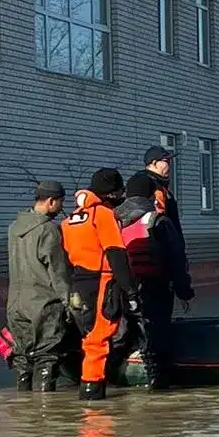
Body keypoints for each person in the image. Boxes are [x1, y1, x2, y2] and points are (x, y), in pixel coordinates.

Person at [61, 168, 139, 402]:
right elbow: (116, 254)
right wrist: (131, 292)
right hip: (102, 282)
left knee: (87, 337)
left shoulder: (70, 220)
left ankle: (89, 392)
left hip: (78, 284)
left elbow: (64, 259)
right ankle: (93, 399)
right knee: (99, 339)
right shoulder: (103, 215)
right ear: (111, 193)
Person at [116, 171, 194, 389]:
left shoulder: (113, 220)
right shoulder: (158, 221)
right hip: (155, 287)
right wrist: (184, 289)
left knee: (128, 332)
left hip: (121, 289)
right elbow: (176, 259)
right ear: (150, 195)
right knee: (157, 334)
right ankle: (158, 381)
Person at [5, 179, 72, 392]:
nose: (62, 208)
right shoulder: (48, 230)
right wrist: (70, 303)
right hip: (43, 304)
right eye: (61, 202)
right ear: (51, 201)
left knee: (23, 359)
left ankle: (25, 411)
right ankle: (45, 414)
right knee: (47, 357)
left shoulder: (14, 228)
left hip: (15, 305)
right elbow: (57, 273)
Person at [144, 145, 185, 241]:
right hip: (161, 247)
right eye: (166, 161)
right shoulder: (152, 187)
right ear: (154, 163)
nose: (169, 165)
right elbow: (159, 220)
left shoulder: (162, 188)